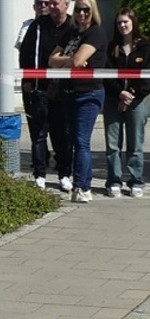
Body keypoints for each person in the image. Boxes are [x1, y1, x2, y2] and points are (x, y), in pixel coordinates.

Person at [49, 0, 107, 203]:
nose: (82, 13)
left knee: (82, 141)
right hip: (68, 91)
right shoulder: (71, 33)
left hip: (88, 93)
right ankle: (82, 183)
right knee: (73, 140)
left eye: (86, 10)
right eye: (79, 9)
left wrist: (68, 60)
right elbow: (52, 59)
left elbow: (73, 61)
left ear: (93, 11)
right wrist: (71, 60)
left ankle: (82, 187)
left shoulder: (95, 33)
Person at [19, 0, 75, 191]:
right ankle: (40, 174)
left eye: (55, 3)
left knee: (62, 135)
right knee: (39, 134)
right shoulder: (38, 25)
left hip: (63, 90)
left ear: (66, 4)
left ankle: (64, 174)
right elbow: (26, 53)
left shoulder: (73, 26)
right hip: (40, 87)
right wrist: (27, 79)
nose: (51, 7)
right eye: (49, 4)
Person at [102, 7, 150, 198]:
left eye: (126, 22)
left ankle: (136, 180)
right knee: (113, 145)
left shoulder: (146, 47)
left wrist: (129, 95)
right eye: (119, 22)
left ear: (133, 23)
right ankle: (113, 181)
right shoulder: (111, 47)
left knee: (135, 143)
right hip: (113, 100)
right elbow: (106, 76)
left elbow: (146, 79)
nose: (122, 25)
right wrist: (119, 93)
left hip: (136, 102)